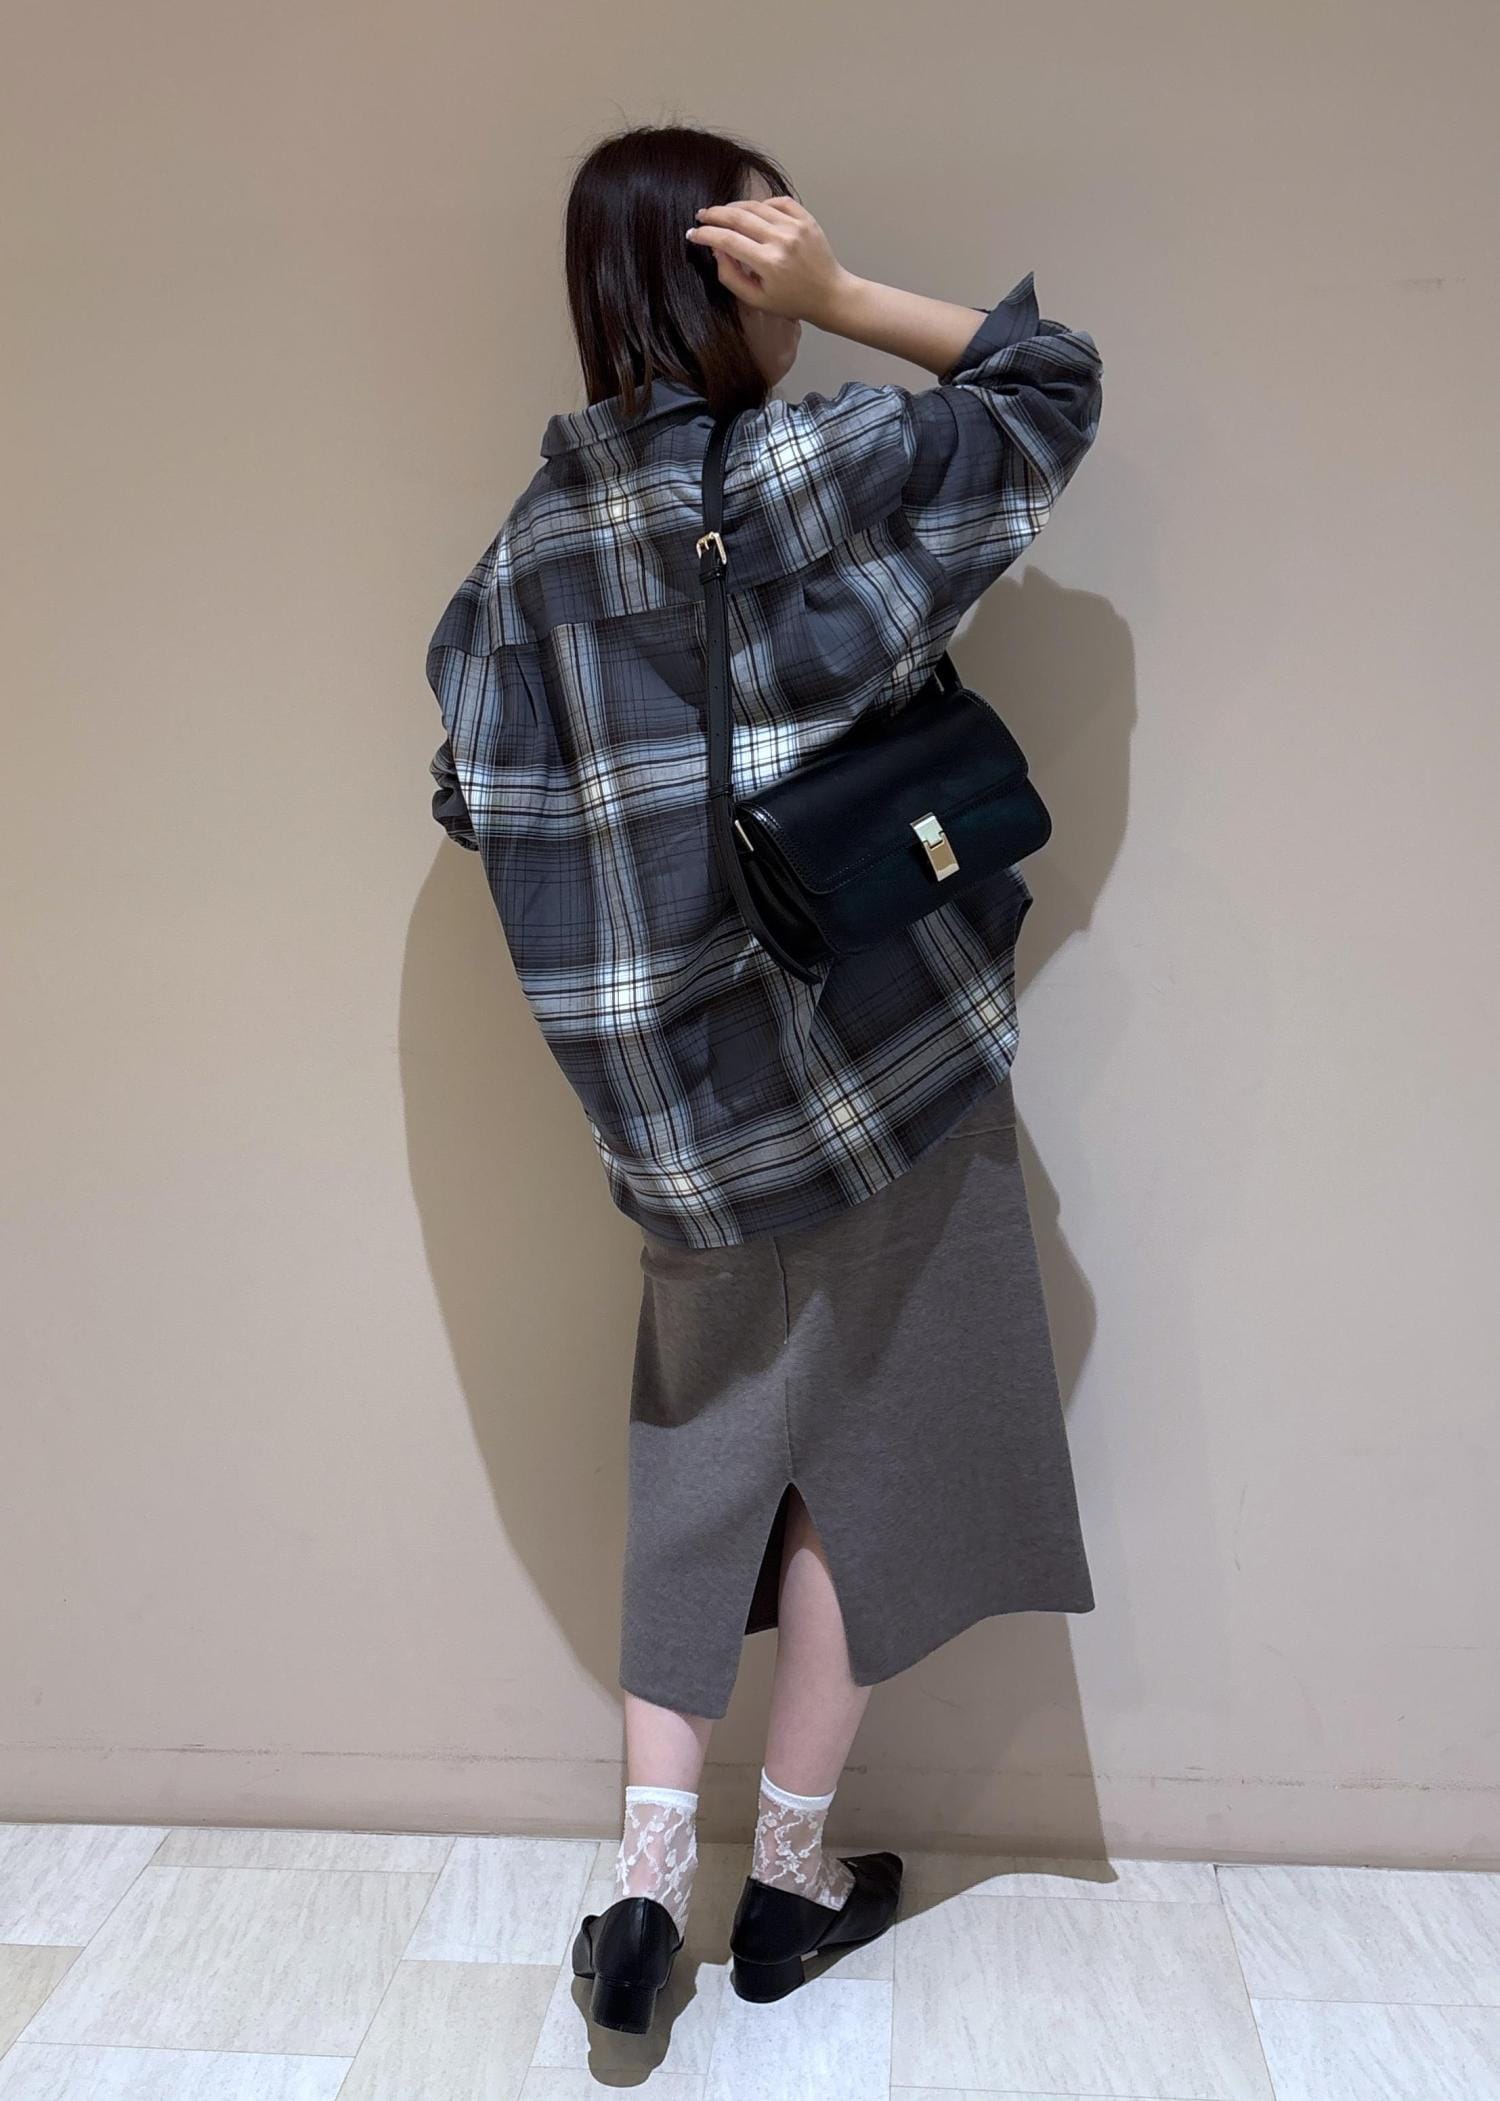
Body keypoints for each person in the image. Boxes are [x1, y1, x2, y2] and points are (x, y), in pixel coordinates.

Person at [425, 121, 1103, 2036]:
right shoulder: (806, 467)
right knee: (877, 1466)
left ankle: (646, 1887)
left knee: (699, 1467)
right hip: (885, 1071)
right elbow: (1048, 391)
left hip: (679, 1131)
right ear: (729, 271)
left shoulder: (517, 562)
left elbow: (470, 795)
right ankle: (789, 1878)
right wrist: (847, 297)